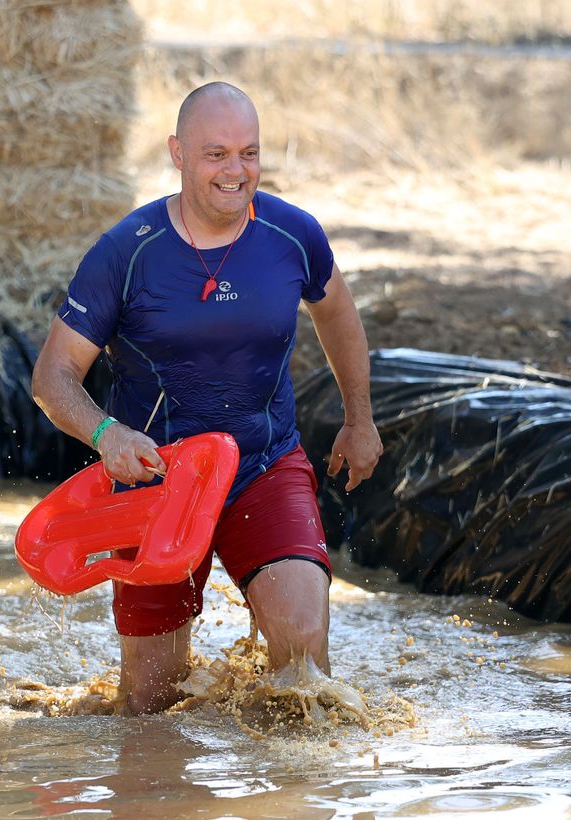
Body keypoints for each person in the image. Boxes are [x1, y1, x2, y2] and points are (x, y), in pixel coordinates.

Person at [31, 82, 382, 715]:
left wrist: (360, 419)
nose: (235, 171)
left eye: (249, 153)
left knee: (304, 657)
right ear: (178, 153)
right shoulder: (125, 252)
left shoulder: (293, 234)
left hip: (263, 465)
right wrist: (107, 435)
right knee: (151, 704)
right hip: (157, 483)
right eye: (216, 154)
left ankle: (290, 778)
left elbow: (336, 313)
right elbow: (52, 378)